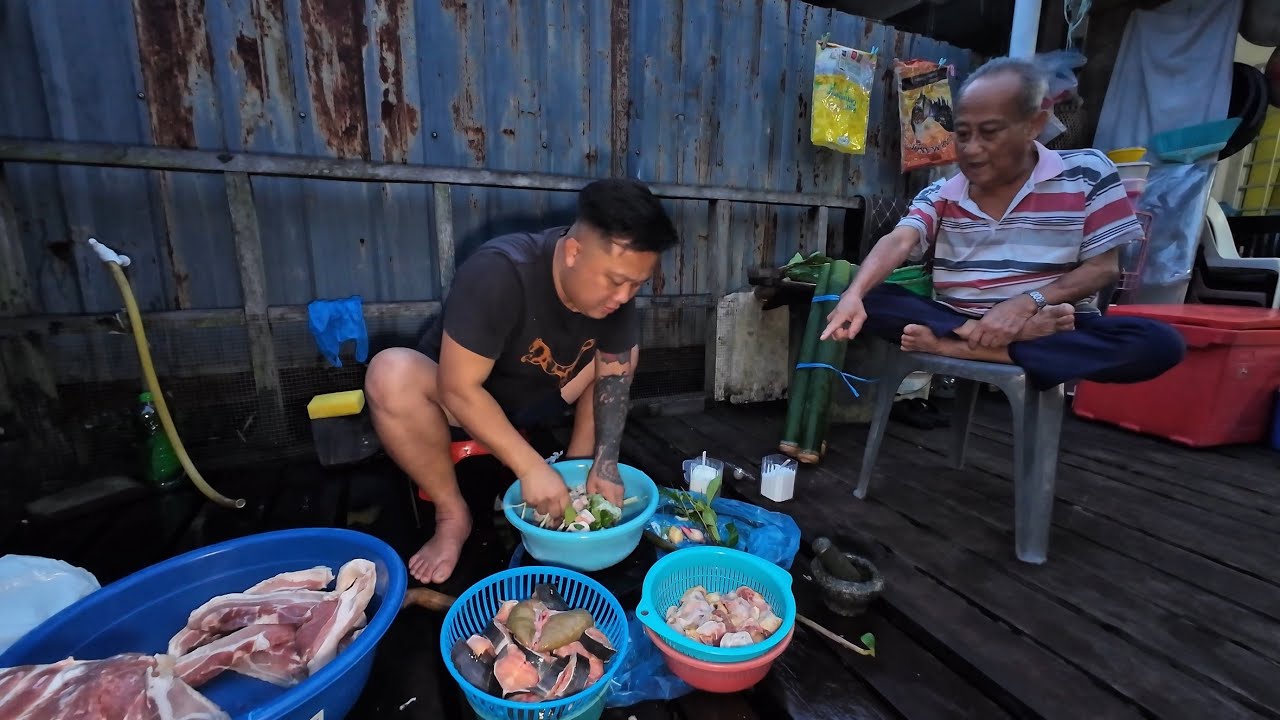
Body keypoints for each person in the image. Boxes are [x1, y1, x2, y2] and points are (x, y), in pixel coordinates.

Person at [365, 179, 678, 584]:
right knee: (389, 373)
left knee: (622, 357)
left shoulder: (616, 294)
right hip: (458, 402)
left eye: (636, 284)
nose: (624, 296)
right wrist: (530, 467)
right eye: (616, 281)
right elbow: (458, 389)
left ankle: (574, 475)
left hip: (537, 397)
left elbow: (615, 379)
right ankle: (451, 514)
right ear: (573, 252)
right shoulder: (499, 271)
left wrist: (605, 461)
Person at [822, 57, 1186, 390]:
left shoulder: (1087, 172)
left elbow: (1104, 269)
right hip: (957, 318)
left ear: (1034, 125)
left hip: (1045, 324)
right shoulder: (944, 191)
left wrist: (1026, 304)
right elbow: (900, 240)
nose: (972, 149)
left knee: (1159, 343)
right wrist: (854, 295)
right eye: (963, 135)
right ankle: (979, 339)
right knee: (858, 297)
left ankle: (961, 350)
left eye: (990, 132)